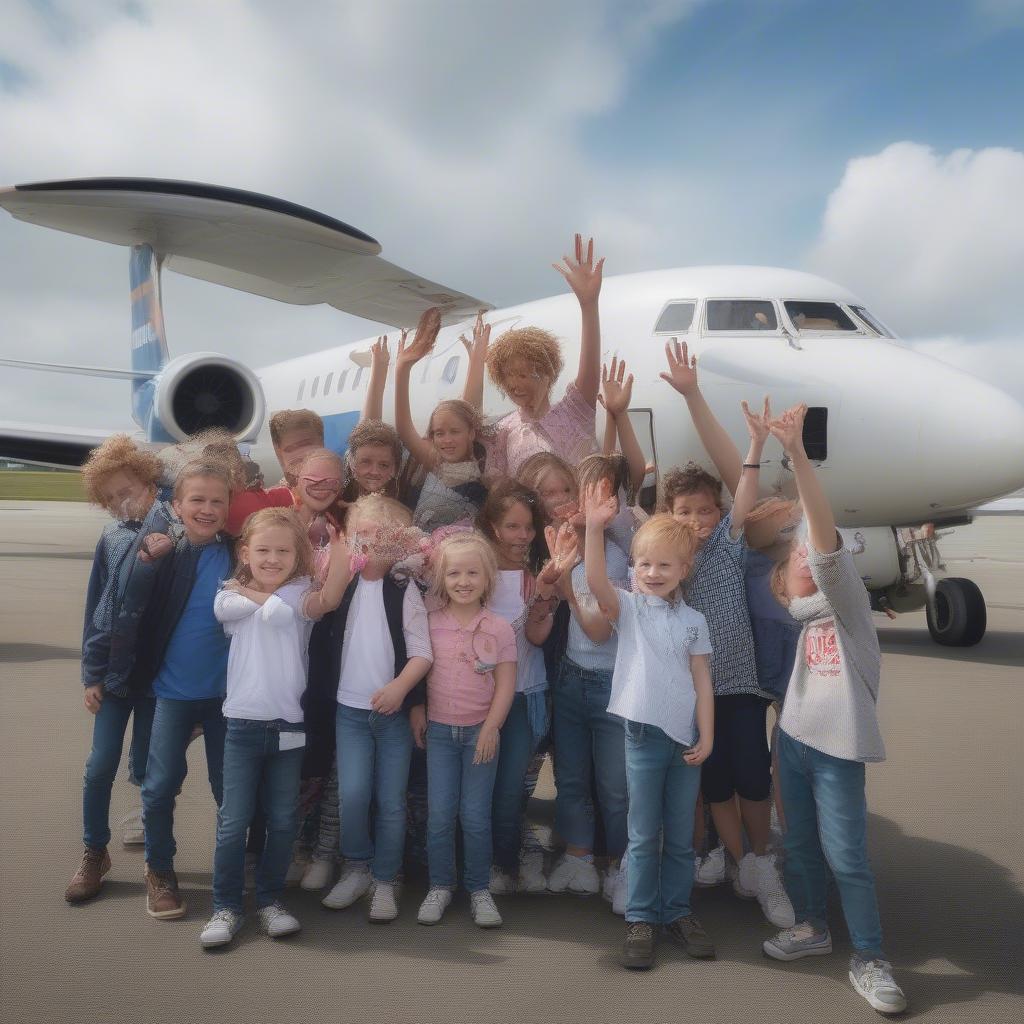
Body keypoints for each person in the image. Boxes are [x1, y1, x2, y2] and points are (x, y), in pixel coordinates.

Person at [761, 404, 908, 1015]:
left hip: (838, 749)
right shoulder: (795, 619)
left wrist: (797, 457)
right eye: (792, 555)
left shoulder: (846, 610)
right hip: (792, 741)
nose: (806, 559)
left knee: (847, 855)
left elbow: (823, 542)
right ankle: (813, 928)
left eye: (813, 556)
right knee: (797, 846)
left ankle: (870, 957)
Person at [660, 339, 794, 929]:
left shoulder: (725, 547)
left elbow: (743, 491)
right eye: (683, 512)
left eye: (703, 511)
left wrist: (755, 446)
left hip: (738, 685)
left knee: (750, 774)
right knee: (712, 780)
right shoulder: (667, 562)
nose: (694, 520)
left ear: (717, 517)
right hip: (693, 691)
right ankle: (743, 863)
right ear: (668, 516)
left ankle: (762, 860)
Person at [199, 508, 353, 948]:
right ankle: (225, 906)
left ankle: (269, 901)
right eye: (262, 550)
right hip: (243, 725)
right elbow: (265, 614)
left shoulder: (300, 591)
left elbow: (327, 599)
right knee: (234, 821)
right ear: (244, 552)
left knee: (284, 819)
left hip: (289, 725)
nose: (272, 558)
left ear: (298, 555)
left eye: (283, 551)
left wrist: (342, 547)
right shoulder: (228, 596)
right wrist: (263, 595)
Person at [584, 494, 716, 970]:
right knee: (642, 834)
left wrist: (708, 736)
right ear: (634, 569)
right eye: (644, 564)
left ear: (684, 568)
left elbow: (702, 680)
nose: (652, 572)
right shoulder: (630, 609)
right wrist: (595, 529)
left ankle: (677, 912)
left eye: (664, 565)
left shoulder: (694, 621)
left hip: (685, 739)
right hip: (642, 735)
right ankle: (640, 917)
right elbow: (598, 581)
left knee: (681, 836)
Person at [107, 459, 234, 920]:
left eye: (216, 501)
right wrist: (144, 561)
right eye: (196, 500)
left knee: (229, 791)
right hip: (172, 694)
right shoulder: (164, 554)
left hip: (225, 698)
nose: (206, 508)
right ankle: (159, 870)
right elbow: (129, 610)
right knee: (159, 788)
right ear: (175, 506)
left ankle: (230, 874)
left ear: (228, 508)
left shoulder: (239, 553)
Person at [315, 495, 434, 922]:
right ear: (350, 540)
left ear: (402, 544)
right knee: (352, 794)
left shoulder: (404, 592)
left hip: (392, 715)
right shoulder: (339, 584)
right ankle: (357, 866)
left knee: (391, 800)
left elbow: (422, 653)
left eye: (384, 536)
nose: (373, 544)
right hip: (349, 713)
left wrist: (402, 690)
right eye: (364, 535)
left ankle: (386, 878)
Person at [65, 435, 169, 902]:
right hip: (113, 674)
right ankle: (94, 850)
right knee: (98, 765)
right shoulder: (111, 537)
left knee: (150, 767)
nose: (119, 502)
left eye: (126, 490)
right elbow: (98, 610)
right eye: (108, 499)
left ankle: (155, 860)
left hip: (157, 678)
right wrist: (91, 673)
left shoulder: (175, 531)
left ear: (148, 481)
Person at [476, 481, 577, 894]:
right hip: (473, 698)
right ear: (492, 527)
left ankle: (506, 863)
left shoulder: (536, 578)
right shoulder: (473, 573)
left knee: (510, 786)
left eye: (528, 528)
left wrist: (544, 595)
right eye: (512, 527)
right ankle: (483, 862)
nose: (522, 536)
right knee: (477, 788)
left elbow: (536, 638)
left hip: (523, 695)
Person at [417, 534, 516, 929]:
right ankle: (440, 885)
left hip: (480, 733)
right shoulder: (429, 621)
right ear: (441, 578)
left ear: (487, 577)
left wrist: (492, 728)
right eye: (454, 573)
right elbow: (420, 670)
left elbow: (507, 684)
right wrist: (418, 711)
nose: (463, 580)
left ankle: (479, 889)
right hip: (440, 732)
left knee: (475, 815)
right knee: (440, 814)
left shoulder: (499, 627)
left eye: (472, 572)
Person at [546, 454, 632, 909]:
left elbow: (599, 628)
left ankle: (620, 866)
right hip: (569, 678)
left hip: (609, 682)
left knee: (615, 786)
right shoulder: (562, 548)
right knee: (572, 777)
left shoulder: (615, 557)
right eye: (584, 492)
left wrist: (565, 593)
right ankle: (579, 857)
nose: (590, 504)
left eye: (605, 494)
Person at [477, 234, 604, 480]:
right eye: (507, 377)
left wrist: (589, 305)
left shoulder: (574, 413)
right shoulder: (503, 433)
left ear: (547, 372)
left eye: (523, 374)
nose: (514, 384)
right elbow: (500, 491)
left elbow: (590, 371)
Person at [394, 307, 488, 531]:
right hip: (425, 554)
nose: (447, 439)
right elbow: (404, 430)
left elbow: (470, 409)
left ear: (471, 433)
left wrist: (477, 359)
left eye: (455, 432)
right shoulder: (435, 462)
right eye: (439, 433)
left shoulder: (483, 468)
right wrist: (402, 368)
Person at [224, 410, 324, 536]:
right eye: (291, 449)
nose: (300, 454)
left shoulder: (342, 493)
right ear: (279, 453)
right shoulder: (274, 499)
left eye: (306, 445)